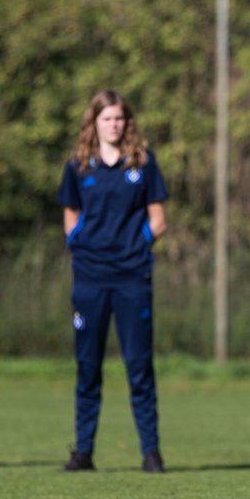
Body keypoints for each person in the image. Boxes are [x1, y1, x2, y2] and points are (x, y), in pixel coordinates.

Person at [56, 90, 169, 473]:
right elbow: (70, 218)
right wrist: (81, 244)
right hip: (89, 279)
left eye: (119, 118)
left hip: (132, 278)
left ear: (127, 122)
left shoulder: (143, 163)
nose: (114, 124)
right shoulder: (78, 166)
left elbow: (158, 219)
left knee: (139, 366)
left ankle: (151, 453)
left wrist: (137, 245)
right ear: (95, 122)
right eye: (107, 118)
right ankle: (83, 451)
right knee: (88, 366)